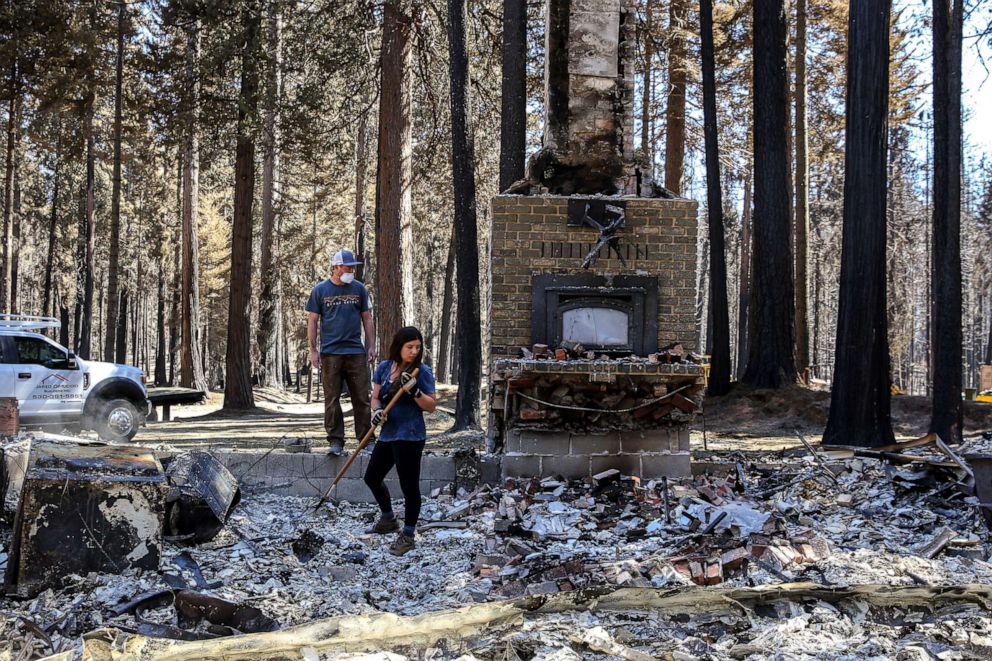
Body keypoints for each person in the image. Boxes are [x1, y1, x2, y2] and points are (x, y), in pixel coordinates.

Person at [364, 326, 436, 556]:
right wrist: (376, 412)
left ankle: (408, 534)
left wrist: (415, 392)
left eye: (418, 347)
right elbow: (375, 398)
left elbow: (431, 406)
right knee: (372, 477)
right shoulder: (385, 368)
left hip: (410, 435)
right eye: (409, 347)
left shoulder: (421, 372)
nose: (414, 351)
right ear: (399, 347)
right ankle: (388, 519)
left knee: (409, 486)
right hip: (388, 433)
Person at [305, 249, 376, 456]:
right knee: (332, 398)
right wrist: (313, 350)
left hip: (355, 352)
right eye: (348, 267)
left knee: (361, 397)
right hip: (330, 353)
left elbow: (367, 318)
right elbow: (312, 320)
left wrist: (371, 345)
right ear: (336, 267)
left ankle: (366, 439)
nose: (351, 270)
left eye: (353, 267)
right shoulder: (320, 291)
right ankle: (335, 441)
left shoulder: (359, 289)